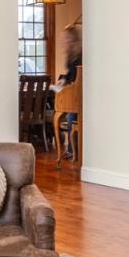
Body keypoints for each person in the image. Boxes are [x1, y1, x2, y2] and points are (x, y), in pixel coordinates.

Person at [51, 22, 82, 159]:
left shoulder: (80, 54)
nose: (63, 41)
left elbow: (78, 75)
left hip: (78, 92)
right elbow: (70, 73)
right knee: (69, 116)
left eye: (66, 38)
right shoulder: (71, 55)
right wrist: (63, 79)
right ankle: (70, 150)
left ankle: (73, 150)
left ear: (73, 38)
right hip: (70, 88)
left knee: (71, 117)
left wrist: (68, 82)